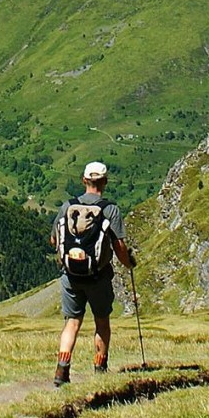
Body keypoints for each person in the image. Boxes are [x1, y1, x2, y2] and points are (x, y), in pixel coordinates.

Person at [50, 161, 134, 386]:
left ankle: (62, 370)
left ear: (84, 180)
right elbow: (119, 246)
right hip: (98, 276)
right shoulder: (109, 209)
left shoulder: (68, 206)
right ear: (104, 182)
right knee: (102, 322)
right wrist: (129, 264)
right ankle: (100, 367)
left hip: (70, 275)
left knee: (72, 322)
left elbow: (53, 239)